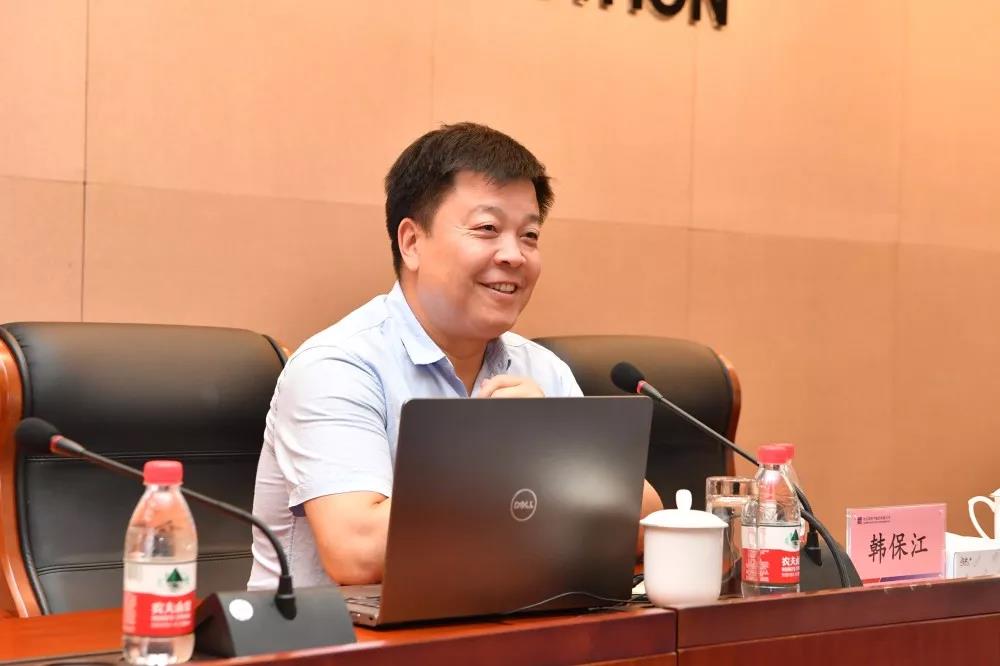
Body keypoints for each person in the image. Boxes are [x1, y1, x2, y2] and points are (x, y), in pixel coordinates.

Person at [248, 122, 662, 589]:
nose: (514, 255)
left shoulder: (542, 369)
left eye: (530, 235)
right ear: (411, 243)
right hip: (334, 631)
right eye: (487, 229)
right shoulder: (336, 367)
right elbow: (358, 554)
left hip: (501, 622)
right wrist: (511, 456)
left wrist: (554, 445)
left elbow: (644, 523)